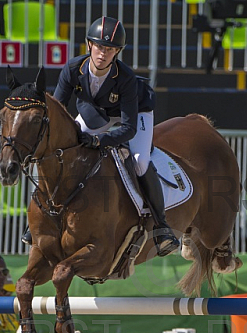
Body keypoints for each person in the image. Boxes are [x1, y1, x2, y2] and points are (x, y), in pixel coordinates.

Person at [52, 16, 179, 257]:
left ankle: (162, 227)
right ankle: (47, 215)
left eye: (110, 49)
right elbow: (57, 111)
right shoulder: (71, 69)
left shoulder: (126, 77)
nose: (103, 53)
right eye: (100, 46)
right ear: (89, 45)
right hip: (97, 113)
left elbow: (129, 129)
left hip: (134, 113)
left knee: (140, 160)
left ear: (117, 52)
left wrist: (99, 141)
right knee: (62, 151)